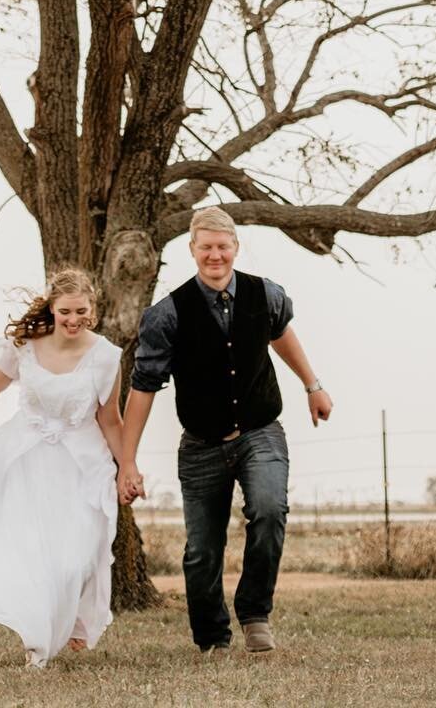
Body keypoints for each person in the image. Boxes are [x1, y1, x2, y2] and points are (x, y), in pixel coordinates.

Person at [117, 206, 333, 656]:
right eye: (206, 248)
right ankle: (213, 637)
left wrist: (312, 385)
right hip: (201, 445)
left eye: (223, 247)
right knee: (202, 551)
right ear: (193, 251)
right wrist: (127, 461)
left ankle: (255, 615)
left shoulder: (266, 294)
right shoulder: (167, 315)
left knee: (271, 510)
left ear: (235, 248)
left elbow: (282, 334)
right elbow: (143, 388)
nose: (215, 255)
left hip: (260, 430)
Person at [0, 268, 125, 668]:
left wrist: (127, 467)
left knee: (76, 558)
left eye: (81, 311)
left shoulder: (105, 356)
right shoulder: (25, 345)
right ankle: (36, 645)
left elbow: (111, 419)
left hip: (82, 464)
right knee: (26, 554)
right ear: (52, 307)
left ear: (93, 309)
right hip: (23, 460)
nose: (72, 319)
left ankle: (70, 623)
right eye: (65, 311)